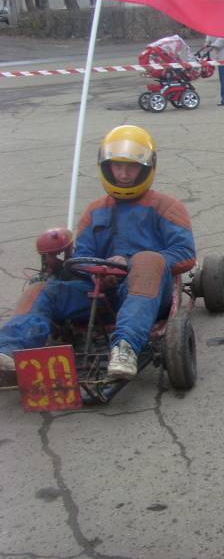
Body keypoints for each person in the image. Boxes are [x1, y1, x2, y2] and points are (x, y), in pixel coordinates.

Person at [0, 125, 196, 385]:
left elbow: (185, 253)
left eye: (131, 167)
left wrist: (131, 264)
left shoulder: (166, 206)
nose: (123, 175)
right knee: (40, 291)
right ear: (106, 167)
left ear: (146, 168)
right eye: (117, 167)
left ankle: (126, 347)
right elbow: (83, 255)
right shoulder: (95, 211)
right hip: (100, 293)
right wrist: (82, 270)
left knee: (147, 259)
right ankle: (11, 348)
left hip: (147, 291)